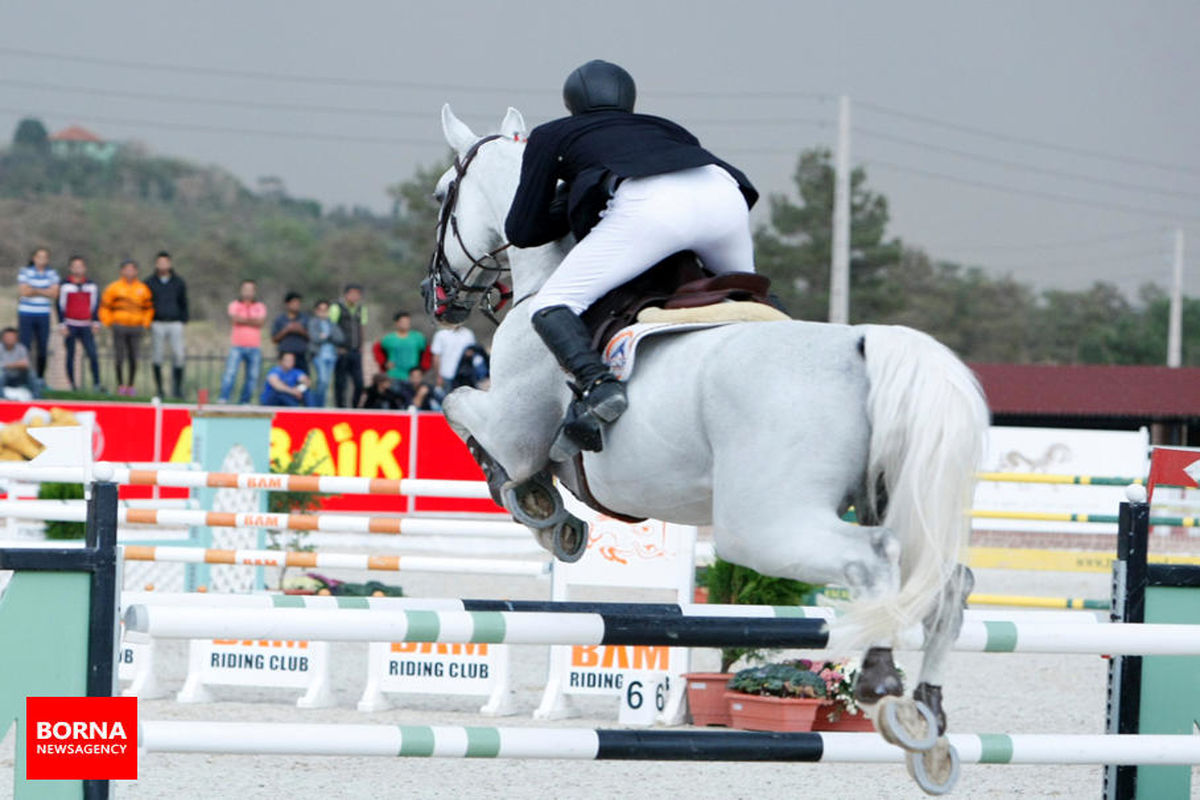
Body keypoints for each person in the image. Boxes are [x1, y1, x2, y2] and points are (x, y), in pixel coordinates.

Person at [505, 59, 758, 452]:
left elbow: (522, 231)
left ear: (571, 101)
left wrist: (565, 198)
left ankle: (598, 386)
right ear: (629, 98)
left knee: (552, 303)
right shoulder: (667, 128)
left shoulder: (553, 133)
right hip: (724, 195)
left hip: (651, 207)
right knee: (752, 300)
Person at [98, 259, 154, 396]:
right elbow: (105, 307)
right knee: (119, 357)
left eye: (132, 269)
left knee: (134, 357)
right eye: (126, 269)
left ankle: (131, 385)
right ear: (121, 271)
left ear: (136, 271)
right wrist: (109, 322)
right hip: (119, 326)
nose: (129, 272)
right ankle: (120, 385)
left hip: (136, 327)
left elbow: (149, 308)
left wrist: (145, 323)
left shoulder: (143, 289)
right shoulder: (114, 288)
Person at [56, 255, 102, 393]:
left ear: (85, 268)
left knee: (92, 353)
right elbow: (59, 305)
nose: (78, 269)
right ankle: (72, 384)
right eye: (75, 266)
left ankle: (96, 383)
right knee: (70, 354)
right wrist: (62, 324)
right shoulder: (65, 285)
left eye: (80, 266)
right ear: (70, 268)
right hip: (70, 324)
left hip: (86, 324)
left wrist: (96, 322)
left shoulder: (91, 285)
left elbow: (95, 305)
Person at [217, 279, 267, 404]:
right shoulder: (234, 304)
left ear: (254, 291)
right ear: (241, 290)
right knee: (230, 373)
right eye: (245, 289)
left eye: (250, 289)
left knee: (252, 377)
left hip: (254, 346)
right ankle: (224, 398)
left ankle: (245, 401)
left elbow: (260, 322)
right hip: (237, 345)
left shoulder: (260, 306)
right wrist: (252, 321)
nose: (248, 292)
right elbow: (235, 319)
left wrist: (243, 319)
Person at [147, 251, 189, 399]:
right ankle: (159, 389)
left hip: (175, 322)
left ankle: (177, 389)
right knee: (157, 357)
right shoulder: (149, 282)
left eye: (165, 262)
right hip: (157, 322)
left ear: (170, 264)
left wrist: (183, 319)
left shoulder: (178, 282)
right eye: (160, 262)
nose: (163, 265)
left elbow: (184, 302)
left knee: (178, 355)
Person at [17, 246, 60, 383]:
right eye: (39, 257)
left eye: (44, 257)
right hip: (26, 313)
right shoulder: (25, 272)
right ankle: (24, 378)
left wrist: (34, 289)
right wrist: (44, 290)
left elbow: (54, 294)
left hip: (43, 314)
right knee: (25, 347)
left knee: (42, 348)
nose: (42, 260)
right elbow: (24, 292)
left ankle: (40, 378)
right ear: (33, 258)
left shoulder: (52, 274)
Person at [329, 283, 367, 408]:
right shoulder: (336, 307)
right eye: (352, 294)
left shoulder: (361, 309)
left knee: (359, 383)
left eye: (357, 294)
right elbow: (331, 327)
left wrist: (362, 345)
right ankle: (340, 408)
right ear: (346, 294)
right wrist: (337, 347)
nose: (355, 297)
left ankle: (355, 407)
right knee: (341, 383)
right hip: (342, 350)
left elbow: (362, 327)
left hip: (356, 351)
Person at [306, 299, 342, 407]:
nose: (323, 312)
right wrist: (328, 337)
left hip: (332, 356)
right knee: (322, 381)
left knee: (327, 383)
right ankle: (317, 406)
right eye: (320, 310)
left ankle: (322, 405)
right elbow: (315, 338)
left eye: (325, 310)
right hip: (319, 355)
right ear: (316, 311)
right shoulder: (313, 322)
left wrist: (326, 336)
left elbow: (340, 338)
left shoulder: (332, 323)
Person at [379, 311, 426, 385]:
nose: (405, 324)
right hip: (394, 375)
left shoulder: (418, 337)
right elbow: (378, 352)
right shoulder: (388, 339)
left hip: (412, 377)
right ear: (397, 323)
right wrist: (384, 363)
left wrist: (421, 368)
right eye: (402, 322)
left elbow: (424, 354)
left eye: (407, 322)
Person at [271, 291, 310, 373]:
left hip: (300, 355)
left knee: (303, 381)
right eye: (293, 302)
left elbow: (311, 337)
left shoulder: (305, 319)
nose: (296, 305)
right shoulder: (280, 319)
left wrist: (301, 330)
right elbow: (274, 339)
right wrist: (286, 330)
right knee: (284, 380)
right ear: (287, 304)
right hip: (285, 355)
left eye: (298, 303)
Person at [430, 323, 475, 392]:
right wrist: (438, 376)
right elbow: (436, 357)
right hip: (446, 375)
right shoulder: (440, 334)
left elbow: (473, 352)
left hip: (463, 375)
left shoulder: (468, 333)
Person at [0, 327, 37, 398]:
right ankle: (2, 399)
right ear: (3, 338)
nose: (10, 339)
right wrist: (16, 364)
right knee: (1, 374)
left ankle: (37, 399)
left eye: (12, 337)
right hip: (5, 376)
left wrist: (7, 365)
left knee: (31, 374)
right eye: (8, 337)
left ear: (16, 338)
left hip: (18, 376)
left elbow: (26, 364)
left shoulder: (21, 348)